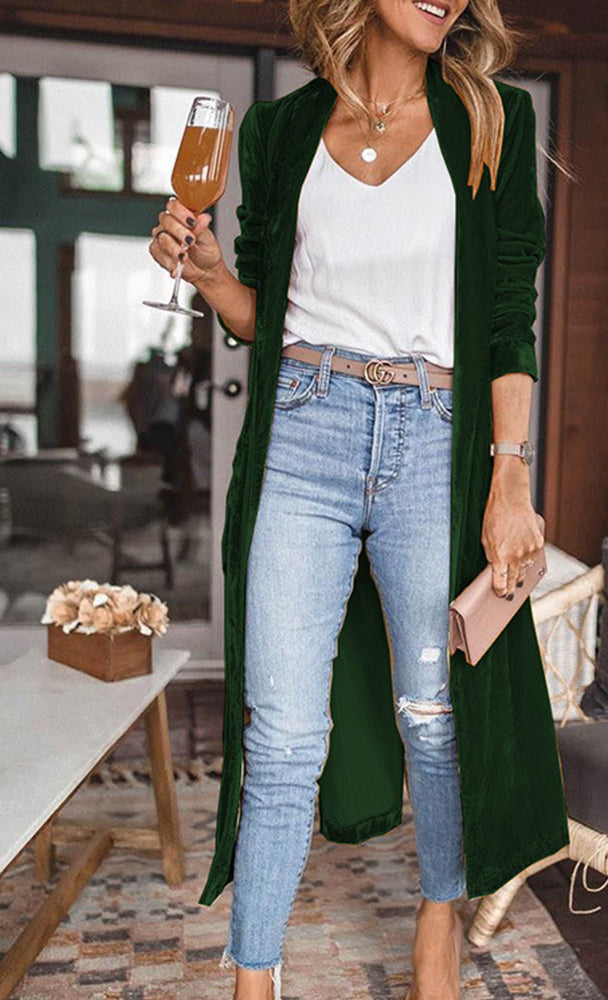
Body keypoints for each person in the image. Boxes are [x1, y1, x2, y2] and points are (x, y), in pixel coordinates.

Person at [148, 1, 569, 998]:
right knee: (283, 732)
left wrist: (509, 473)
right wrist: (209, 275)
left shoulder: (492, 119)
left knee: (433, 713)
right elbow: (264, 304)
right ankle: (255, 975)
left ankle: (437, 915)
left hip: (433, 437)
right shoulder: (281, 130)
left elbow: (509, 316)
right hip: (303, 428)